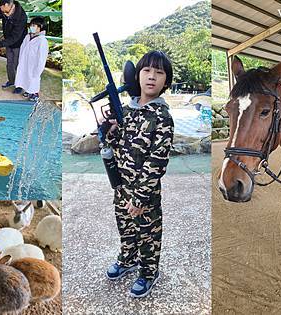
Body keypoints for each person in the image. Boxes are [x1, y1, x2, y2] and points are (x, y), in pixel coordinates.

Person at [103, 51, 174, 298]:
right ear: (138, 76)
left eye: (159, 72)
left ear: (166, 80)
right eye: (146, 71)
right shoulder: (127, 110)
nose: (152, 77)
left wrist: (140, 198)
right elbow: (114, 143)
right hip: (121, 187)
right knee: (125, 227)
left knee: (148, 233)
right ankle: (128, 259)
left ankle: (148, 271)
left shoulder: (162, 117)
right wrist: (109, 130)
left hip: (145, 193)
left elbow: (157, 162)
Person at [0, 0, 28, 90]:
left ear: (7, 5)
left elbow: (15, 37)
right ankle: (11, 81)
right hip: (8, 43)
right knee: (9, 64)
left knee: (18, 65)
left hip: (18, 43)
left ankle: (20, 85)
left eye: (2, 8)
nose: (1, 10)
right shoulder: (4, 10)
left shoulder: (22, 16)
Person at [13, 16, 49, 102]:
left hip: (34, 65)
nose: (32, 27)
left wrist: (38, 69)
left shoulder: (42, 41)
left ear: (40, 27)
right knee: (25, 77)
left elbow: (42, 58)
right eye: (31, 25)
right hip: (25, 62)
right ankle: (28, 91)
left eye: (34, 25)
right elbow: (22, 48)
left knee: (33, 78)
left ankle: (35, 93)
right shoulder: (28, 37)